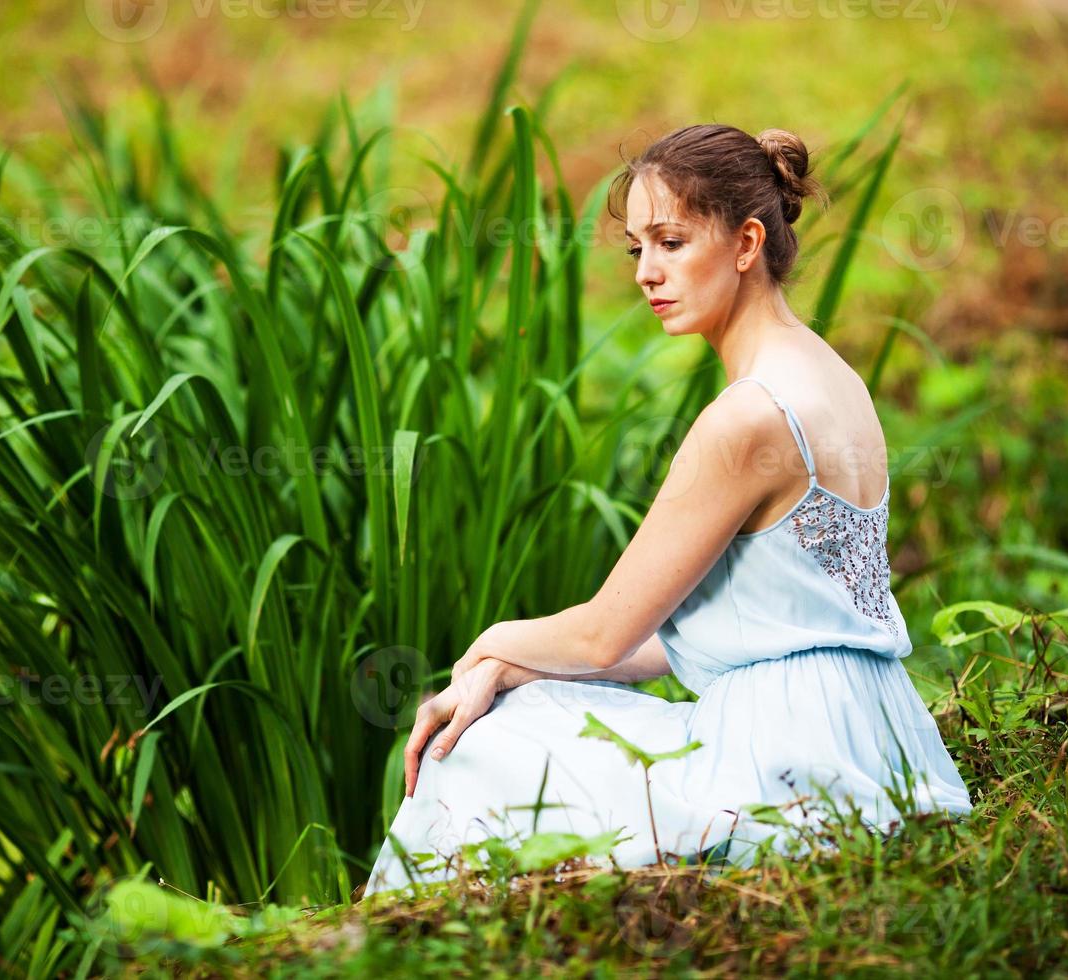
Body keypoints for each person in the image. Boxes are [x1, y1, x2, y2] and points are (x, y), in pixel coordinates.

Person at [363, 124, 973, 899]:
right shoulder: (831, 375)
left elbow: (601, 631)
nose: (648, 273)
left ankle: (388, 953)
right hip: (874, 735)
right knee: (525, 698)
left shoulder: (748, 417)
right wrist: (515, 667)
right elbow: (747, 623)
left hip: (777, 760)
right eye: (636, 249)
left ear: (748, 242)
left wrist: (484, 650)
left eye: (672, 242)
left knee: (488, 741)